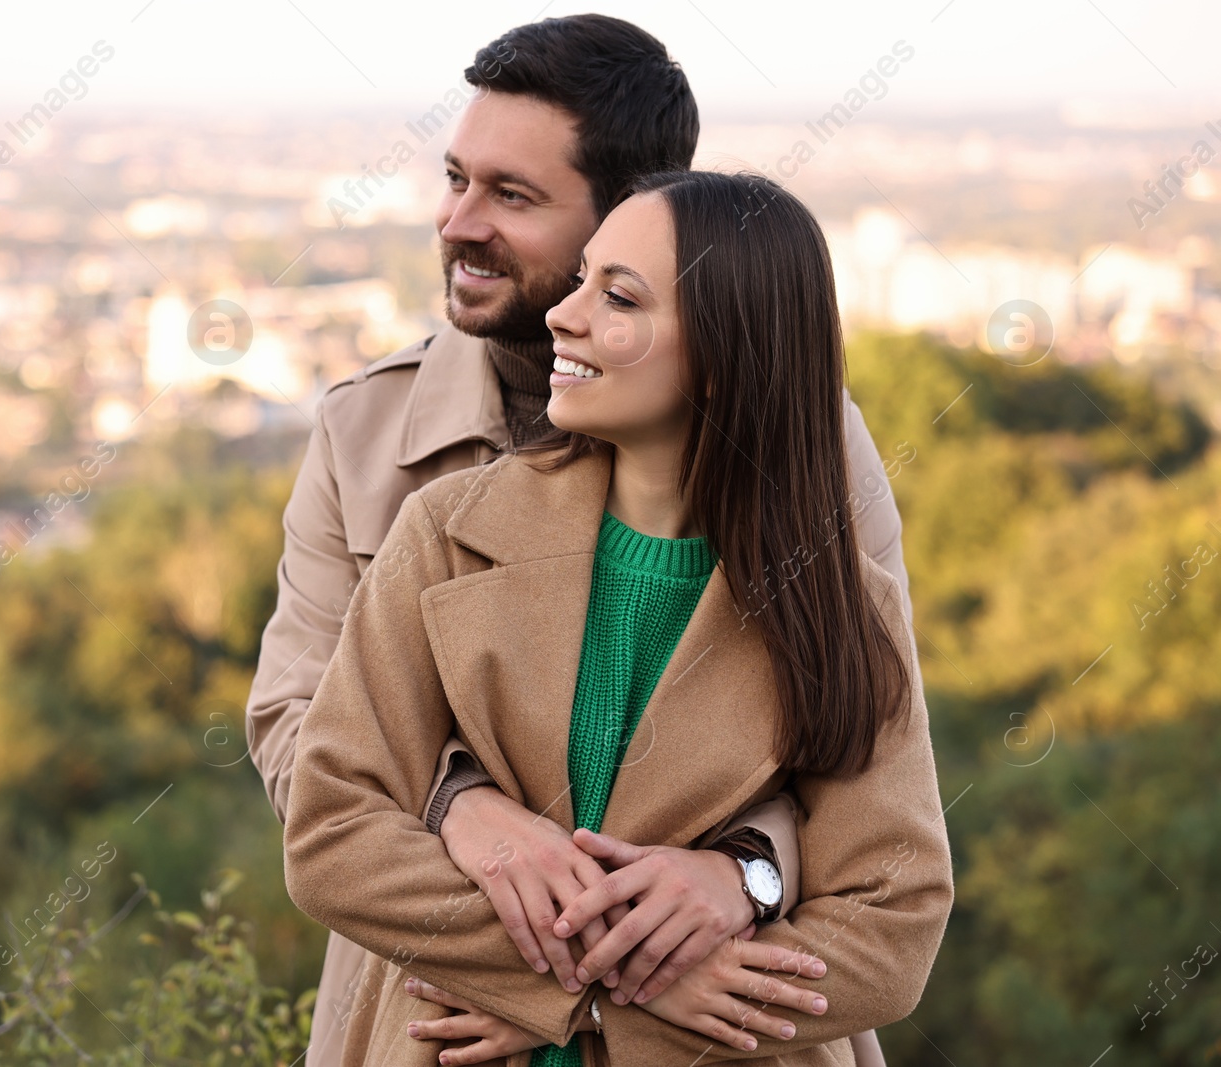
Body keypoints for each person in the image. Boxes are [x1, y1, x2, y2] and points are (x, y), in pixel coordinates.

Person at [247, 15, 910, 1067]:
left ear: (637, 216)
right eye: (456, 178)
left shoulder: (808, 439)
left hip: (723, 1021)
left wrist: (747, 872)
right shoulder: (367, 435)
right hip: (442, 1007)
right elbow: (300, 730)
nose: (458, 222)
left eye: (510, 197)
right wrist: (462, 809)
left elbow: (856, 736)